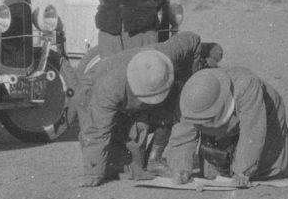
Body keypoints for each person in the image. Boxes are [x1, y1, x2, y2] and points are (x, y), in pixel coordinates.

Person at [77, 31, 221, 188]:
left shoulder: (167, 54)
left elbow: (193, 39)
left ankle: (154, 159)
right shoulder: (109, 88)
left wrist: (193, 71)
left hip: (132, 94)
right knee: (118, 166)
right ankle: (106, 163)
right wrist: (93, 172)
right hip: (91, 96)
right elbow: (97, 131)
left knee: (174, 101)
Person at [166, 67, 288, 188]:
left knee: (271, 169)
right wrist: (180, 168)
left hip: (262, 112)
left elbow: (253, 130)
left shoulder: (247, 85)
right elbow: (182, 137)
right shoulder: (191, 97)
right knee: (211, 174)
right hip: (225, 124)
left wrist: (243, 171)